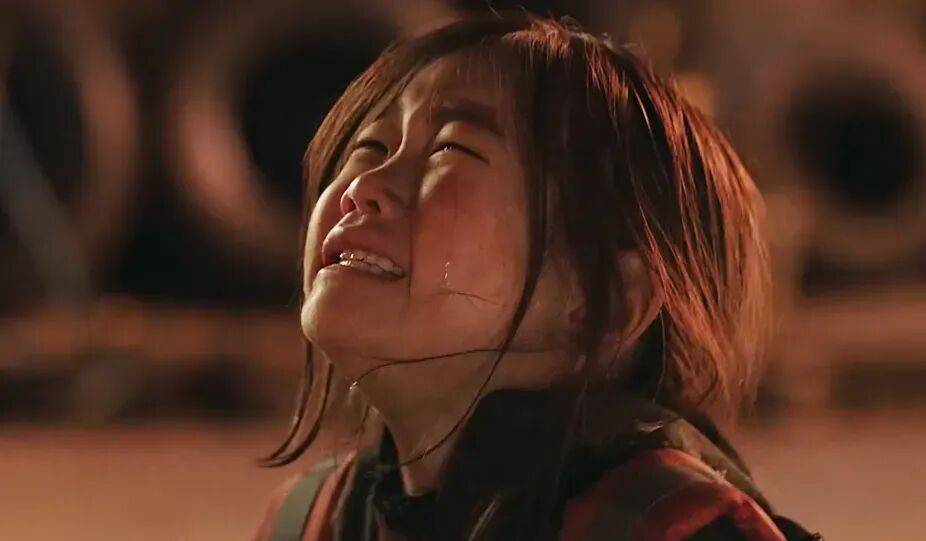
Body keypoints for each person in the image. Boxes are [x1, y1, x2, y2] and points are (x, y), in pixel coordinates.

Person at [254, 12, 821, 541]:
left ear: (608, 300)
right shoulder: (312, 522)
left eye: (449, 149)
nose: (362, 187)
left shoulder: (669, 527)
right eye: (369, 147)